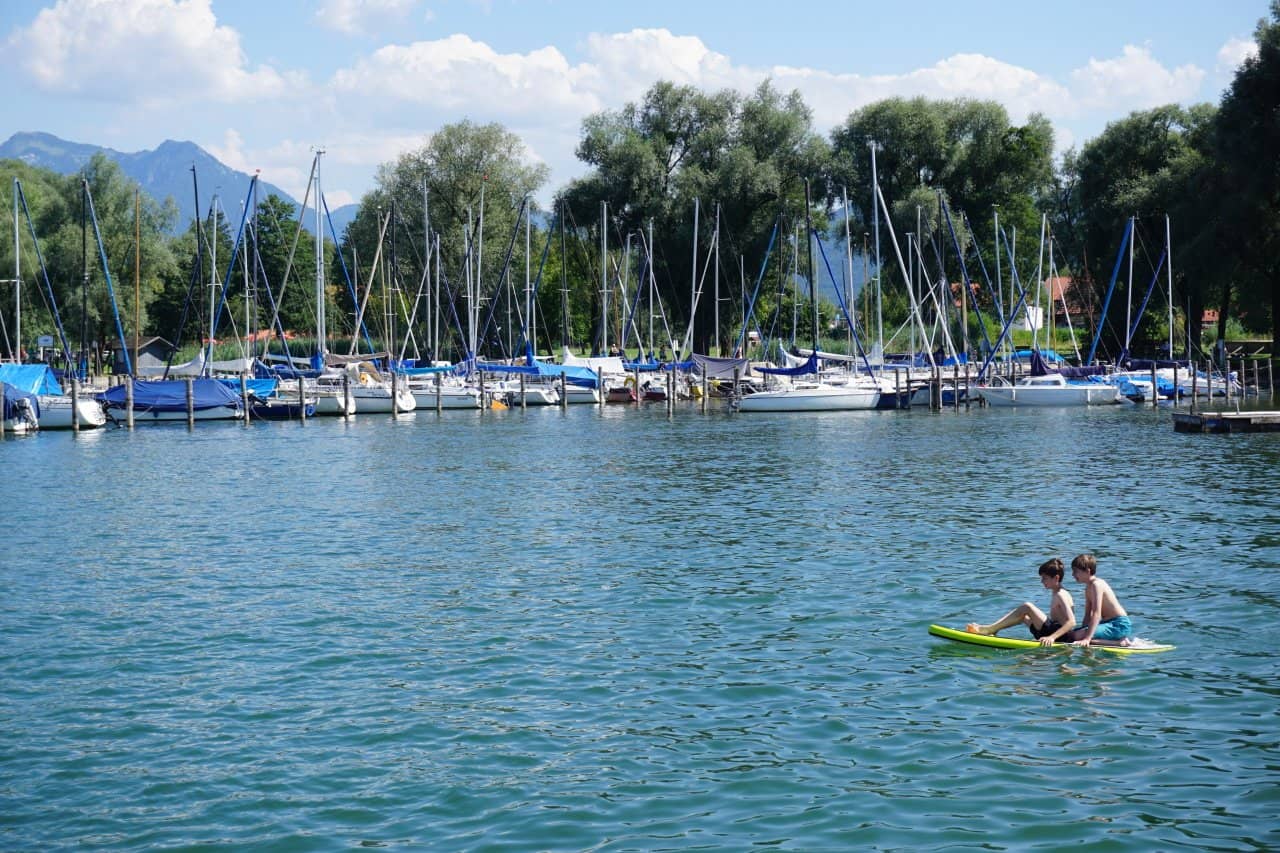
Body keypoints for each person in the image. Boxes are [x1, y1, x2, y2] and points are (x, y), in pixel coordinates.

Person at [965, 558, 1075, 646]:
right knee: (1023, 616)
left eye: (1045, 578)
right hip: (1050, 631)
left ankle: (989, 629)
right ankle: (993, 629)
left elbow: (1071, 622)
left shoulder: (1061, 594)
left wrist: (1052, 638)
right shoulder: (1056, 592)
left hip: (1058, 635)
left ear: (1056, 578)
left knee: (1027, 606)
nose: (1042, 581)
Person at [1066, 554, 1132, 647]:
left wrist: (1086, 638)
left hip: (1119, 625)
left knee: (1079, 636)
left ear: (1088, 571)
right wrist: (1083, 629)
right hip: (1107, 623)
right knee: (1072, 634)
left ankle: (1120, 643)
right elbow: (1088, 615)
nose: (1073, 575)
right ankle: (1091, 638)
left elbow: (1097, 613)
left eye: (1076, 571)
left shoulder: (1097, 585)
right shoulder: (1088, 588)